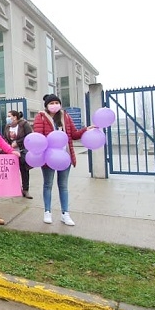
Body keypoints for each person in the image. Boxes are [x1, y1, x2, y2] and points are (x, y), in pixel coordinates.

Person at [33, 94, 92, 226]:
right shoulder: (40, 117)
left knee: (63, 186)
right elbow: (38, 137)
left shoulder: (65, 116)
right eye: (51, 103)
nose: (54, 105)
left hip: (65, 157)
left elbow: (74, 135)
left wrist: (85, 130)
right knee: (47, 185)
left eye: (56, 102)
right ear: (47, 105)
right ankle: (47, 212)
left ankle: (65, 214)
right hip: (48, 157)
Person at [4, 110, 34, 199]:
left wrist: (17, 142)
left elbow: (29, 136)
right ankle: (15, 188)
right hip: (11, 152)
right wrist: (7, 145)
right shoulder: (7, 126)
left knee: (24, 171)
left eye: (9, 116)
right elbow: (5, 137)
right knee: (13, 171)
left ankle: (26, 189)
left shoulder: (24, 124)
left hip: (22, 151)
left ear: (15, 117)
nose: (8, 118)